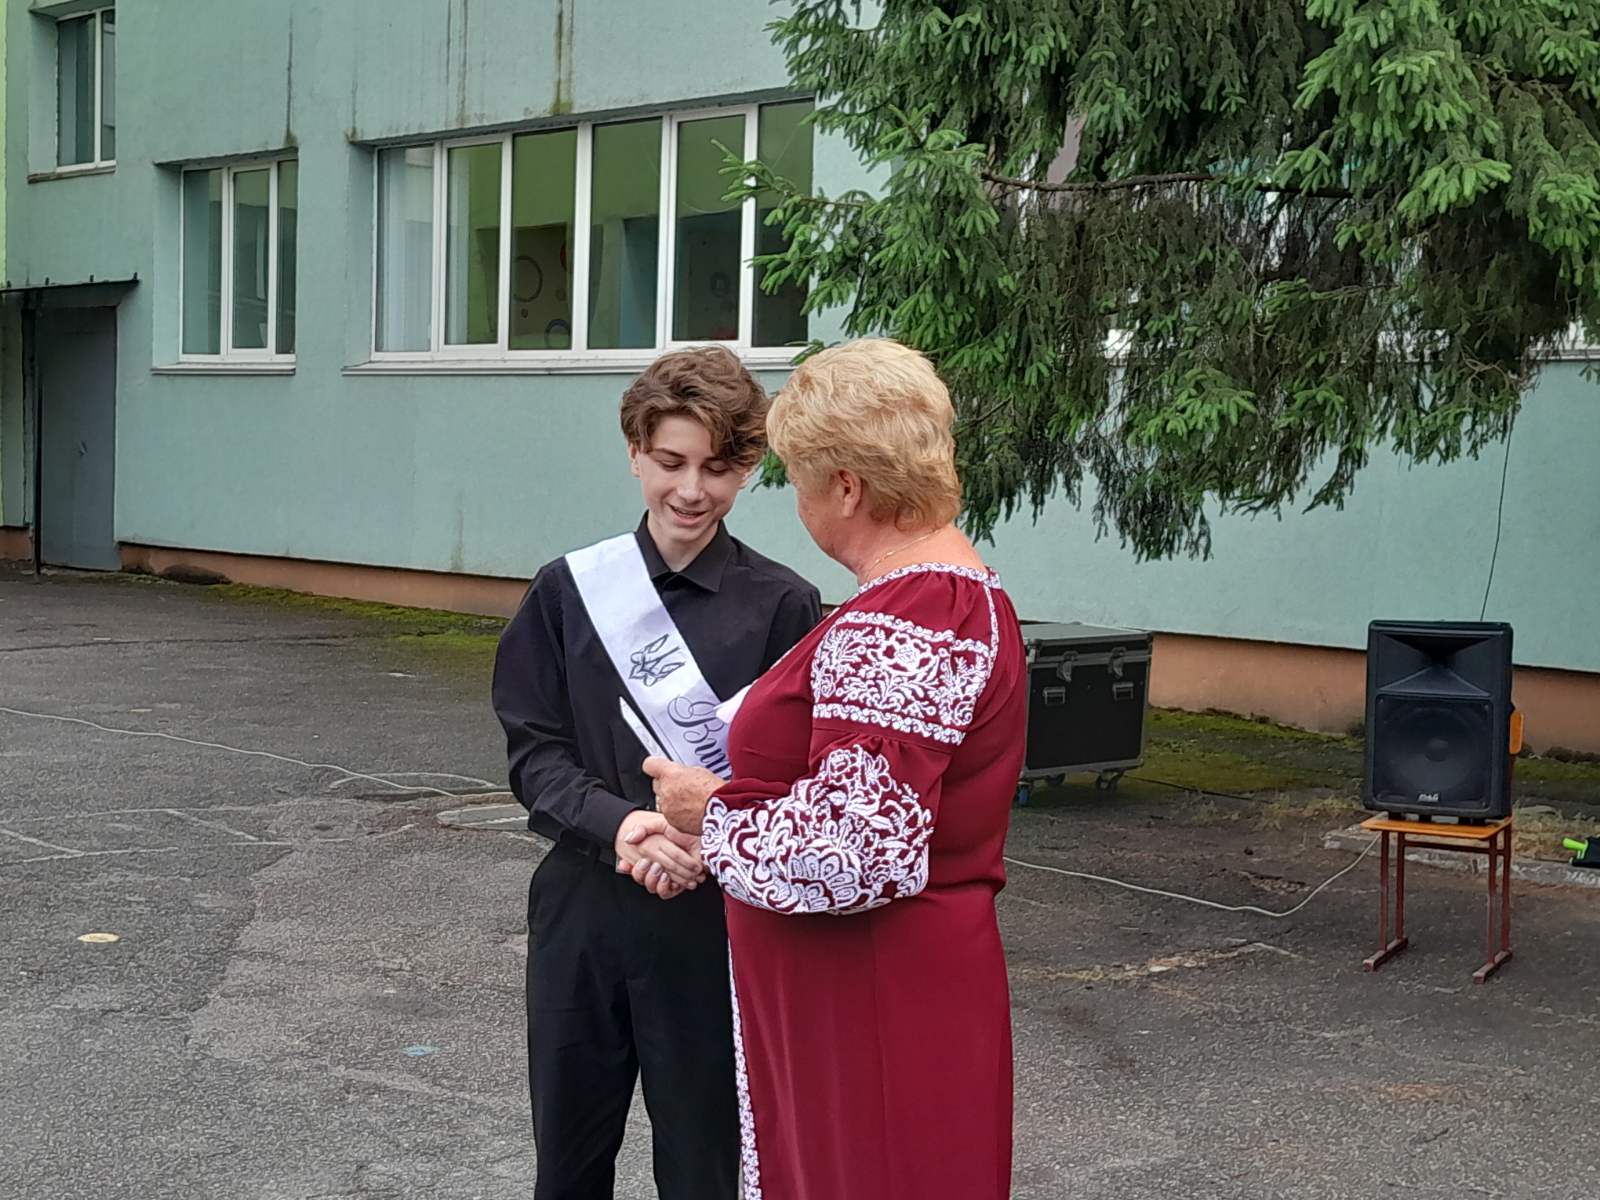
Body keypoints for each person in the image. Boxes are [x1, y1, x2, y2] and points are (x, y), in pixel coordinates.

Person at [637, 338, 1027, 1200]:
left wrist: (712, 812)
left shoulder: (910, 613)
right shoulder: (949, 594)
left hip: (871, 1000)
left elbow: (853, 851)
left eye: (801, 479)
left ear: (847, 487)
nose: (799, 501)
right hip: (882, 987)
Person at [492, 346, 821, 1200]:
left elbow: (793, 774)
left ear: (747, 468)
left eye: (717, 468)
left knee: (705, 1166)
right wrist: (623, 825)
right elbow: (535, 753)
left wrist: (711, 839)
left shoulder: (784, 604)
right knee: (568, 1165)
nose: (691, 490)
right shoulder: (568, 591)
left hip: (714, 925)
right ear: (634, 452)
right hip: (583, 912)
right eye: (671, 462)